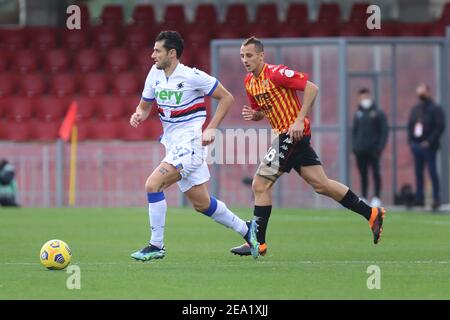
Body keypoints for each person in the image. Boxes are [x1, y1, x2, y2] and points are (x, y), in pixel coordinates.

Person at [230, 37, 386, 257]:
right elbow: (266, 109)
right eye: (242, 56)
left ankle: (258, 242)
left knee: (260, 184)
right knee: (322, 185)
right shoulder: (250, 82)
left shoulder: (275, 73)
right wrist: (256, 115)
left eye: (249, 55)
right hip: (286, 136)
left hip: (291, 135)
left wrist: (298, 120)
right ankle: (371, 213)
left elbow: (312, 88)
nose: (245, 60)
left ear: (261, 56)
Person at [129, 31, 259, 261]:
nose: (152, 55)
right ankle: (248, 230)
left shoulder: (193, 76)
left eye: (157, 51)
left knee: (153, 185)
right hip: (172, 145)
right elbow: (144, 106)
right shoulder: (154, 74)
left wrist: (212, 127)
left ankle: (156, 245)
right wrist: (138, 115)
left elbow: (227, 97)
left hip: (190, 144)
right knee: (201, 203)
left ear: (172, 53)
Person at [407, 83, 445, 211]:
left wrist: (429, 141)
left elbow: (440, 126)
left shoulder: (435, 109)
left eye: (422, 92)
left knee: (432, 171)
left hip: (429, 146)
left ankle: (436, 198)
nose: (420, 95)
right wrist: (411, 141)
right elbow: (410, 125)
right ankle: (419, 198)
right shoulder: (416, 109)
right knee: (418, 173)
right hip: (416, 145)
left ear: (428, 92)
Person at [352, 88, 388, 208]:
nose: (364, 99)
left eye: (366, 97)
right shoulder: (358, 113)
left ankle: (377, 197)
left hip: (374, 150)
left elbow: (384, 131)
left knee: (376, 173)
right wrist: (355, 147)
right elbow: (354, 131)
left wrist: (380, 147)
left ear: (370, 97)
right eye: (362, 97)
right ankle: (364, 196)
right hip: (360, 150)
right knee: (363, 174)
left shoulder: (378, 113)